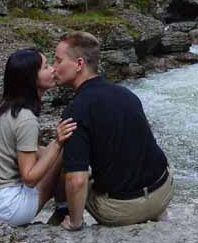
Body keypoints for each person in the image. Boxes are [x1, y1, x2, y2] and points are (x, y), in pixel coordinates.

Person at [53, 31, 174, 231]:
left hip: (122, 210)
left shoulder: (75, 110)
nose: (54, 67)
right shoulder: (126, 93)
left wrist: (75, 222)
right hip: (163, 192)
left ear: (79, 64)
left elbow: (77, 180)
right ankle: (156, 213)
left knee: (68, 164)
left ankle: (63, 212)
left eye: (58, 61)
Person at [0, 48, 77, 226]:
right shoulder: (26, 118)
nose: (53, 69)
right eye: (45, 67)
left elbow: (29, 150)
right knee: (63, 153)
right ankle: (62, 210)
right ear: (31, 78)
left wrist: (51, 152)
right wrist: (57, 144)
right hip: (7, 208)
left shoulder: (7, 107)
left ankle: (61, 208)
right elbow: (29, 178)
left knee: (54, 156)